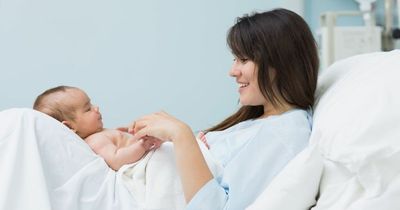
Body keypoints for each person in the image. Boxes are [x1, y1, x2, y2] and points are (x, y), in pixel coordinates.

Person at [126, 8, 319, 209]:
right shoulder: (260, 122)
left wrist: (181, 136)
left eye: (244, 60)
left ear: (281, 63)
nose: (232, 71)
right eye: (235, 59)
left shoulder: (285, 134)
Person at [33, 85, 161, 171]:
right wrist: (142, 145)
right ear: (69, 127)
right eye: (88, 109)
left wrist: (128, 133)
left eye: (91, 103)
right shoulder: (94, 141)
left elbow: (121, 143)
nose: (96, 108)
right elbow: (117, 160)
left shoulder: (100, 134)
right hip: (148, 162)